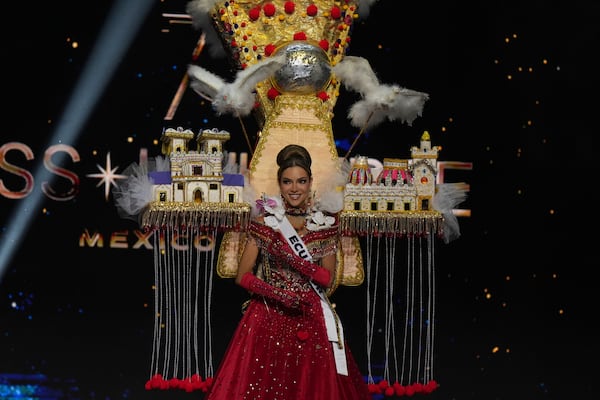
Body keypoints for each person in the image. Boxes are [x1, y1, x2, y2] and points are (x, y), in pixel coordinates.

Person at [205, 144, 370, 400]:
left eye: (301, 181)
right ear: (279, 184)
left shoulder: (324, 224)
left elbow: (327, 278)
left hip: (310, 316)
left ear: (310, 182)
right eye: (288, 182)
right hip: (267, 315)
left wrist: (291, 258)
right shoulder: (265, 223)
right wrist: (278, 295)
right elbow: (243, 276)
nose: (295, 188)